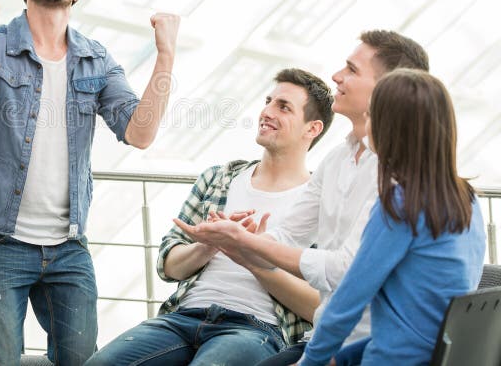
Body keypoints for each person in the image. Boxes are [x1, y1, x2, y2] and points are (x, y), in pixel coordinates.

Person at [0, 0, 180, 365]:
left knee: (82, 361)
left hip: (68, 245)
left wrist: (165, 56)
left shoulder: (95, 59)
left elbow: (140, 133)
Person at [174, 30, 430, 365]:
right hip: (326, 337)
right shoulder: (337, 159)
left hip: (368, 346)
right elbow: (288, 235)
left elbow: (342, 270)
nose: (337, 76)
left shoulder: (400, 172)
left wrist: (247, 245)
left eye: (352, 70)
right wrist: (237, 239)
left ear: (387, 88)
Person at [86, 68, 334, 366]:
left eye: (283, 107)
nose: (266, 112)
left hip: (255, 328)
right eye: (268, 101)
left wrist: (251, 257)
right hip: (182, 318)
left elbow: (319, 307)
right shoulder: (219, 178)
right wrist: (209, 246)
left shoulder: (320, 202)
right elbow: (169, 267)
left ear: (312, 129)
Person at [297, 69, 485, 365]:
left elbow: (349, 298)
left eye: (371, 116)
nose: (366, 124)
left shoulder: (401, 202)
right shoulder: (467, 198)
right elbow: (423, 322)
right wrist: (341, 358)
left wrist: (311, 361)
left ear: (392, 128)